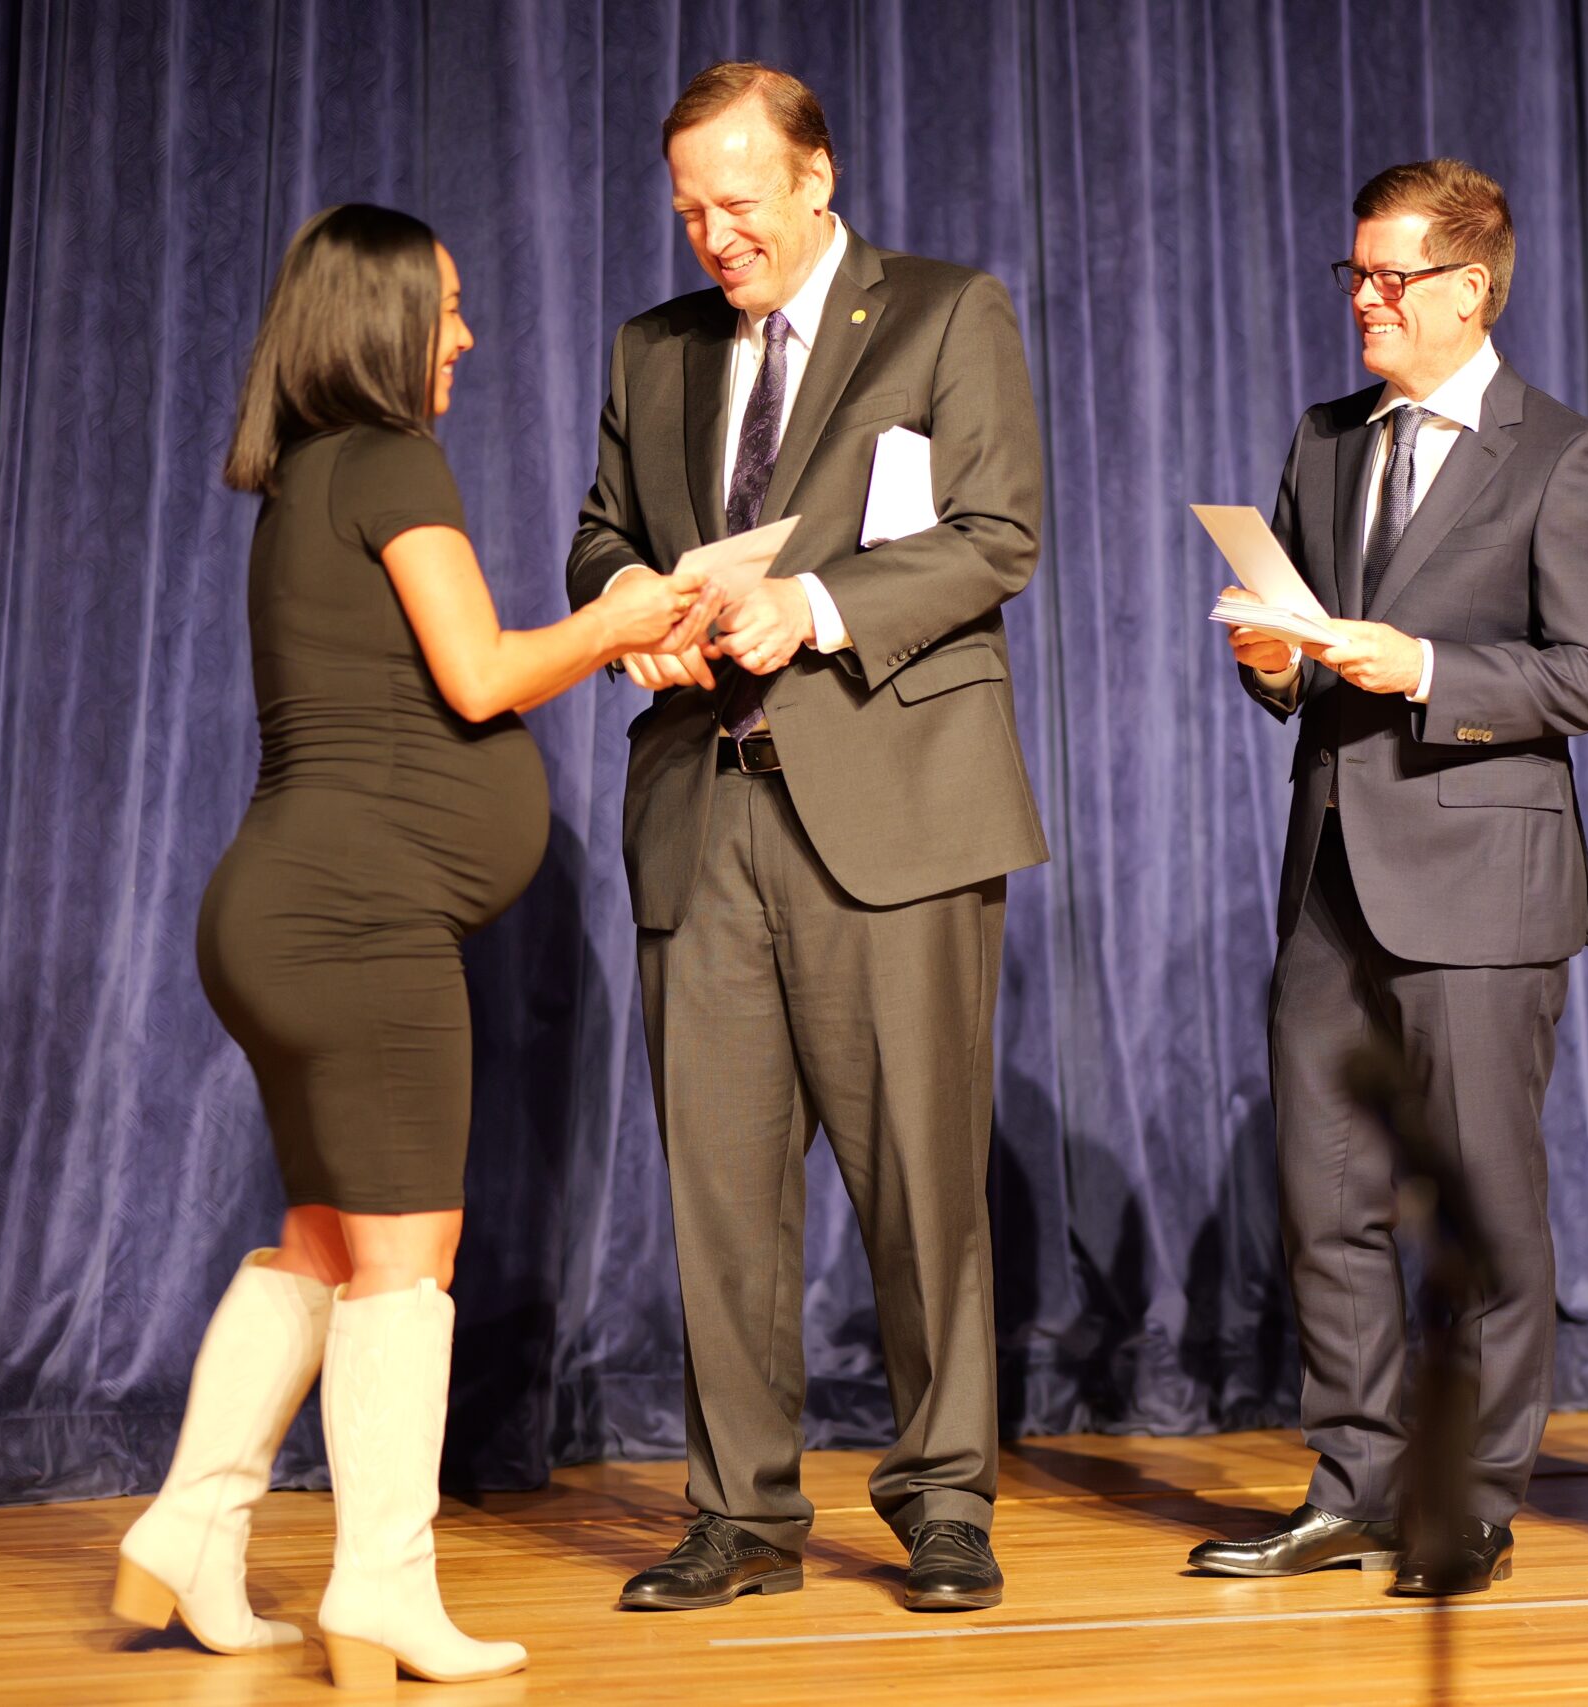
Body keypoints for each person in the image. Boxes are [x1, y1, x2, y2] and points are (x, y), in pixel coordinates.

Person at [110, 204, 701, 1687]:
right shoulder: (387, 460)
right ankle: (383, 1587)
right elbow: (486, 668)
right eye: (445, 308)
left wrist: (606, 633)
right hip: (356, 930)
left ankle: (193, 1526)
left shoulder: (305, 479)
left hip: (275, 917)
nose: (466, 335)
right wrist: (625, 609)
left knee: (324, 1237)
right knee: (405, 1263)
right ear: (381, 321)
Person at [565, 63, 1047, 1614]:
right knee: (718, 1188)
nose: (716, 233)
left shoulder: (944, 315)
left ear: (818, 181)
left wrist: (817, 606)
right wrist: (631, 617)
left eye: (741, 201)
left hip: (892, 811)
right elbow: (603, 534)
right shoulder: (652, 352)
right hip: (703, 805)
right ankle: (741, 1514)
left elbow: (996, 536)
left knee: (921, 1179)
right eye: (692, 208)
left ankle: (945, 1496)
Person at [1191, 158, 1588, 1595]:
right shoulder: (1326, 440)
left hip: (1481, 887)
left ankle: (1473, 1500)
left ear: (1470, 289)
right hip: (1331, 873)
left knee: (1482, 1205)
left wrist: (1430, 667)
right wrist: (1272, 660)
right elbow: (1298, 658)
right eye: (1356, 275)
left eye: (1391, 277)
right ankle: (1355, 1483)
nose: (1366, 300)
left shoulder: (1566, 454)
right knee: (1324, 1203)